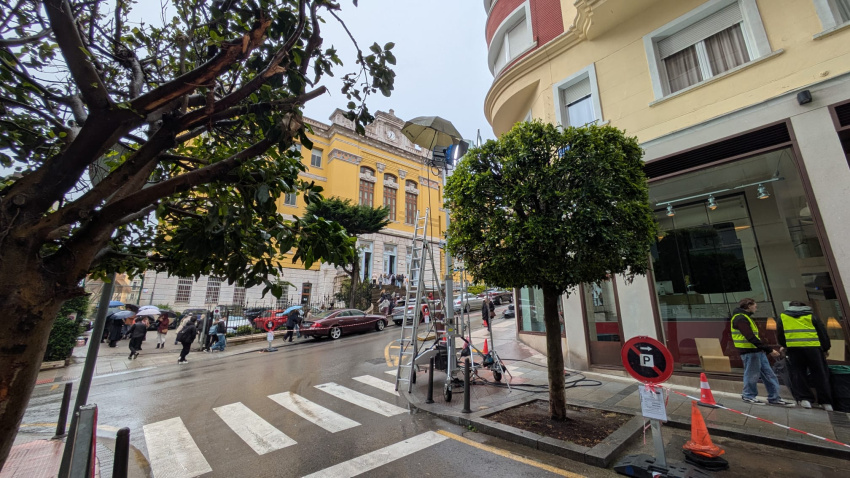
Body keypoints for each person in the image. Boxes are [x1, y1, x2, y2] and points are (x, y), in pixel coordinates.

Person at [731, 298, 794, 406]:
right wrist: (768, 349)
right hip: (749, 352)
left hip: (757, 351)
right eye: (755, 305)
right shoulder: (740, 318)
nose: (756, 307)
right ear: (748, 306)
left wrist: (764, 348)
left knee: (769, 375)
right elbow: (750, 336)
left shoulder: (745, 318)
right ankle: (748, 395)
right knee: (752, 375)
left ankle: (774, 397)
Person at [776, 301, 833, 411]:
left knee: (798, 374)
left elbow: (780, 334)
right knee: (820, 374)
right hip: (813, 349)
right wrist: (825, 348)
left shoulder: (783, 317)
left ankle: (805, 399)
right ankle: (826, 402)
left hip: (794, 349)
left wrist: (784, 345)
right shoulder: (811, 316)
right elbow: (822, 332)